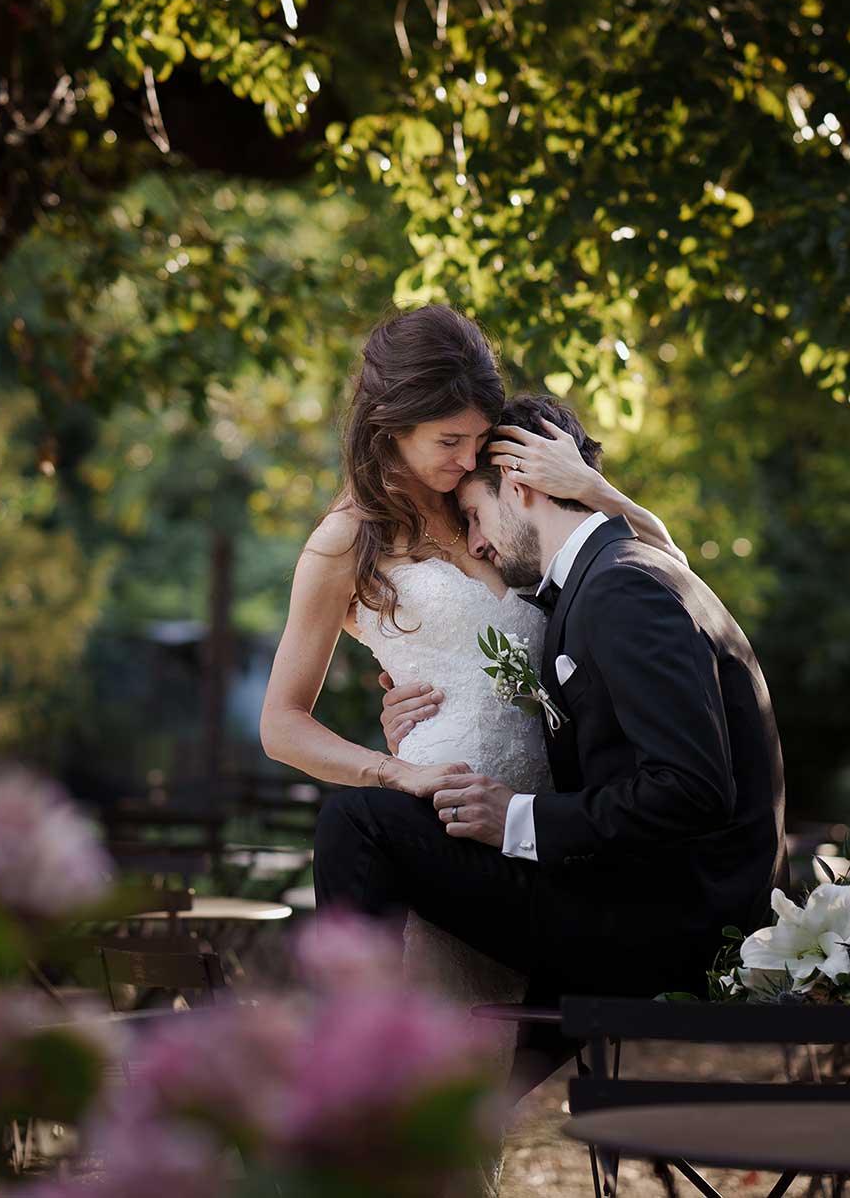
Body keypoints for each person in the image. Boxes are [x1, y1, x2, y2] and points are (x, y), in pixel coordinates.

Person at [323, 389, 789, 1100]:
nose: (475, 543)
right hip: (647, 905)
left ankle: (350, 1082)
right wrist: (421, 722)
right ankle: (427, 1111)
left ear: (521, 482)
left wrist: (516, 817)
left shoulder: (621, 590)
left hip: (667, 929)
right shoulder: (618, 574)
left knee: (357, 819)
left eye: (475, 515)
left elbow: (691, 789)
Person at [258, 304, 682, 1012]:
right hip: (442, 820)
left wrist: (591, 486)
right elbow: (281, 724)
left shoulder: (495, 500)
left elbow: (660, 569)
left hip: (549, 830)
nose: (466, 459)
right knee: (437, 1067)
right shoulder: (345, 541)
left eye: (479, 439)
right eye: (449, 440)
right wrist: (397, 771)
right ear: (389, 424)